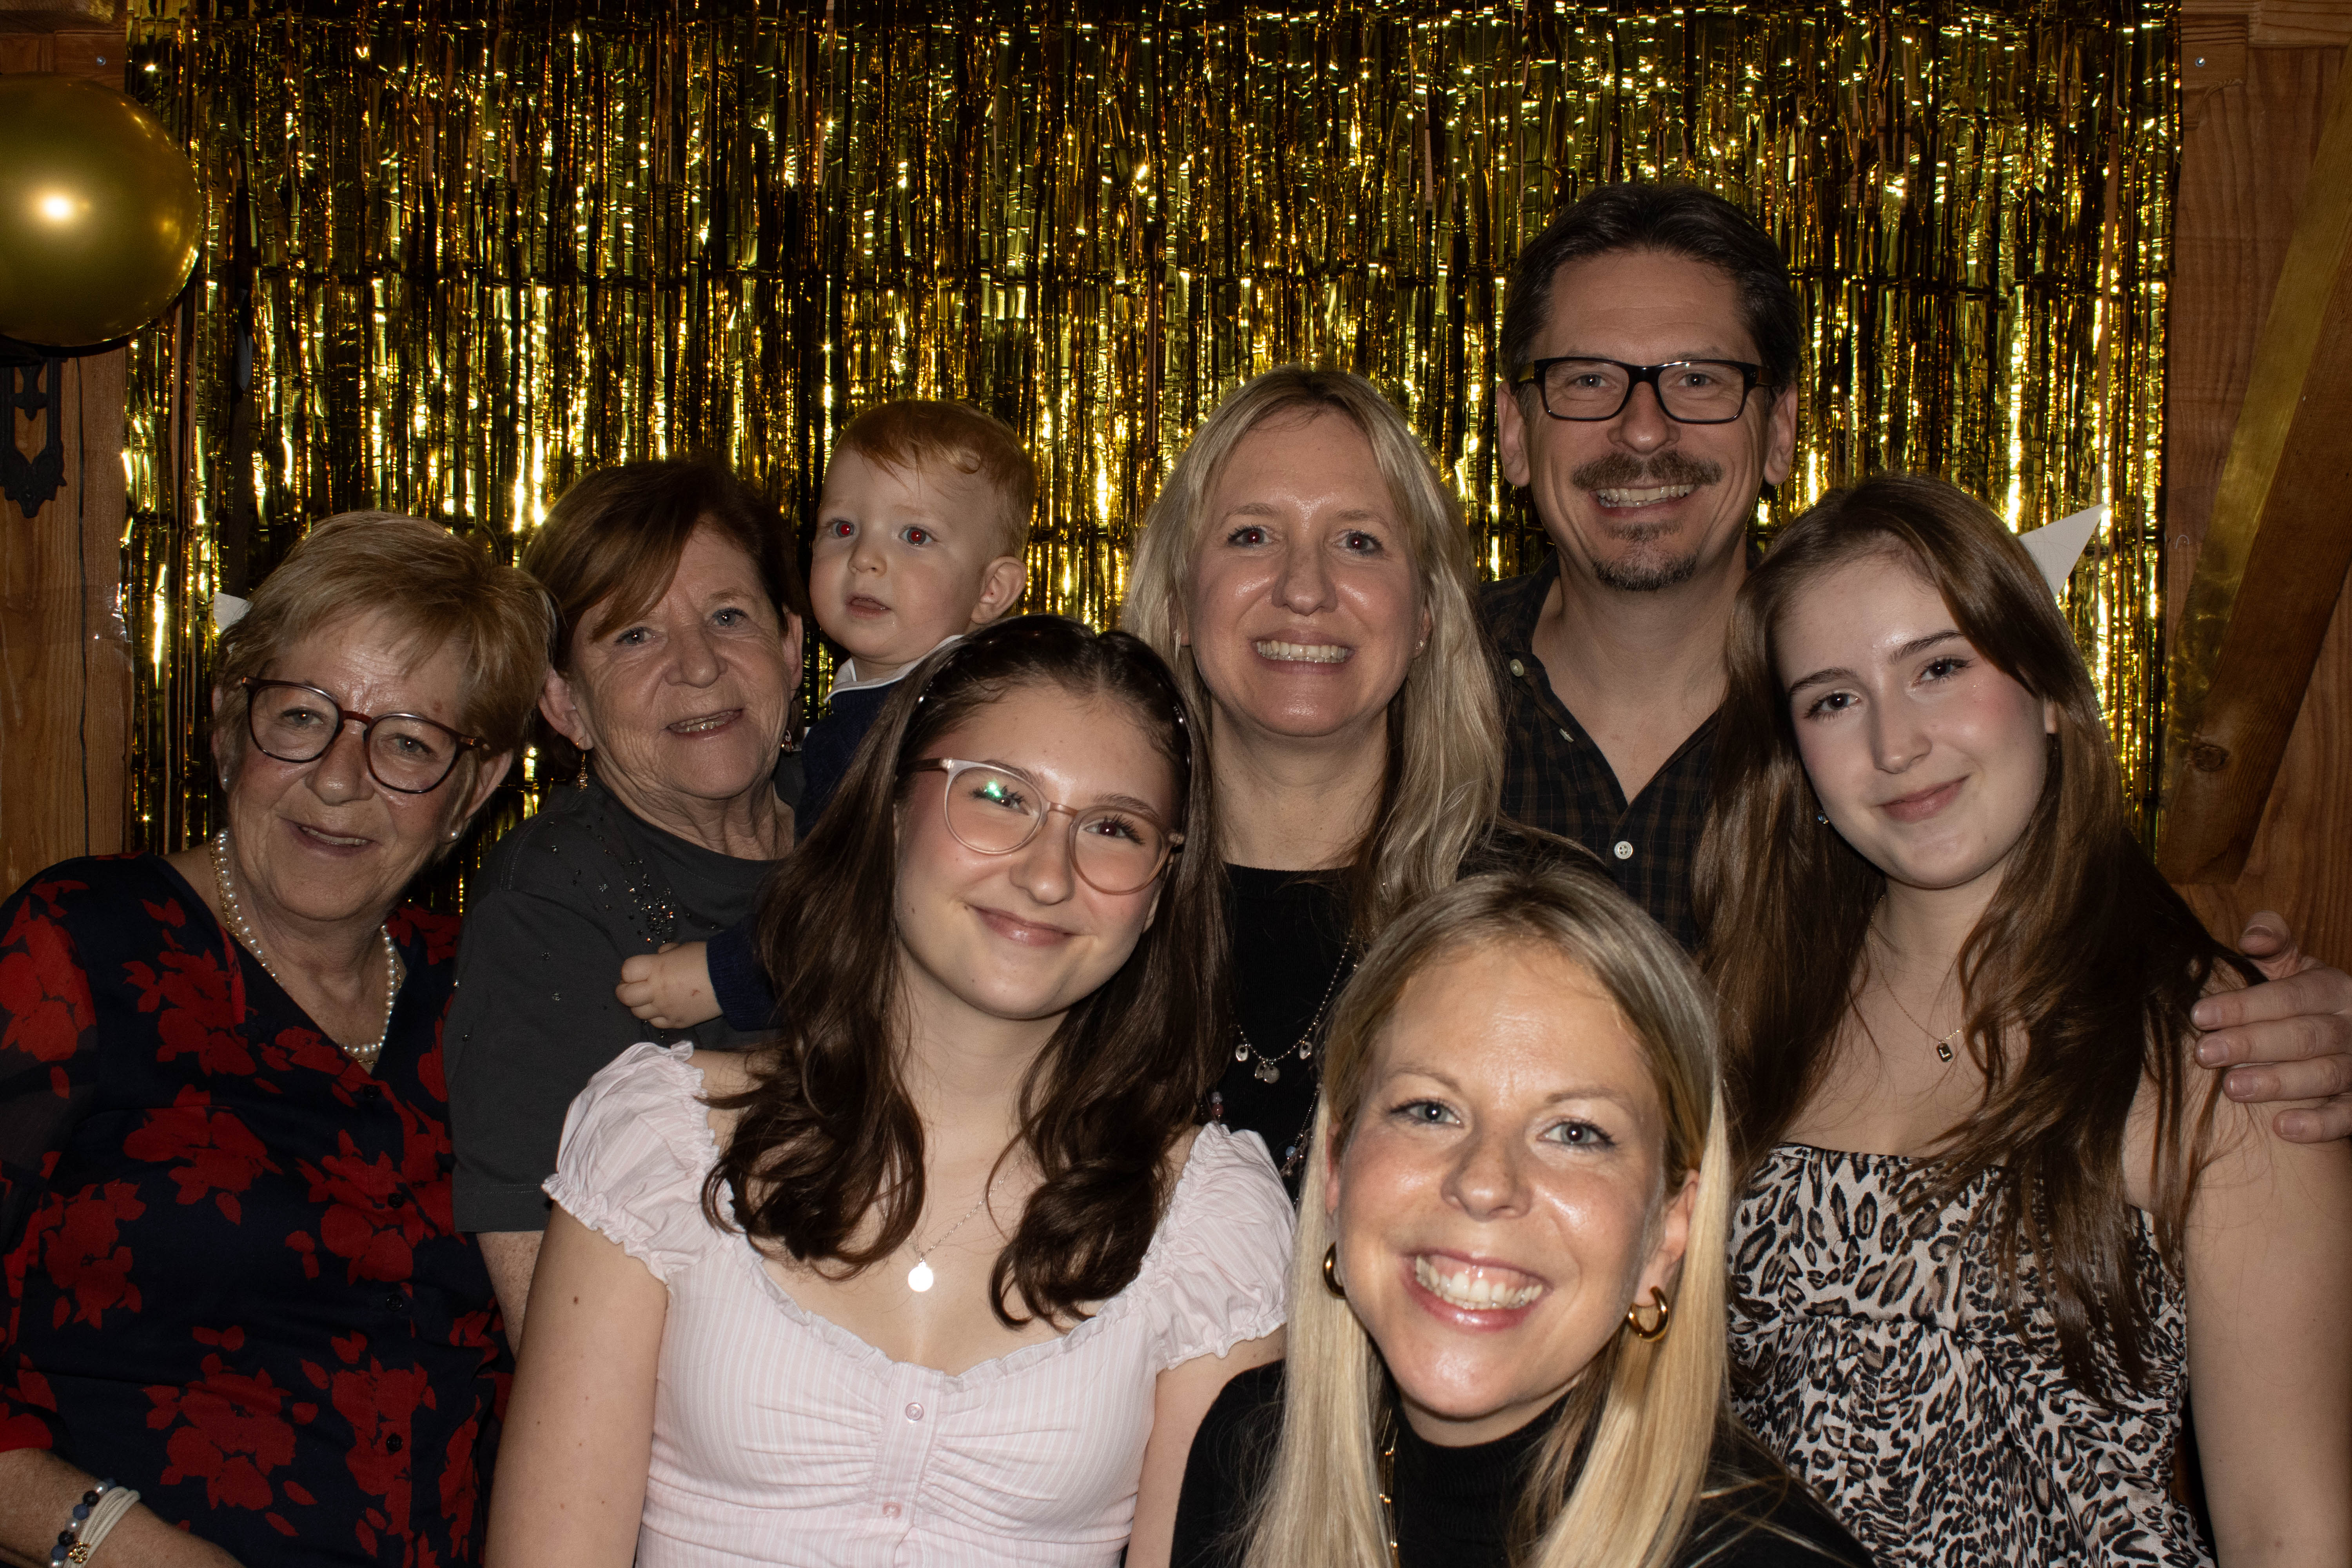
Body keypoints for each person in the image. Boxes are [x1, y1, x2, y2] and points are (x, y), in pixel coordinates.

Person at [1481, 181, 2352, 1140]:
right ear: (1516, 434)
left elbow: (2109, 960)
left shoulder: (1917, 741)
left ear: (1779, 432)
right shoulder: (1408, 694)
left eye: (1700, 378)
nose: (1644, 429)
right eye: (1586, 379)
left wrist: (2281, 1028)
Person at [485, 617, 1291, 1568]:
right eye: (998, 795)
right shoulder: (661, 1140)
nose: (1046, 873)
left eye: (1113, 828)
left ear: (1159, 889)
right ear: (895, 809)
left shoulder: (1211, 1226)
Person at [1698, 474, 2352, 1565]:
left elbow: (2293, 1534)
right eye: (1833, 700)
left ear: (2048, 688)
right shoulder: (1734, 1021)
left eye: (1940, 667)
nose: (1895, 744)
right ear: (1795, 758)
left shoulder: (2222, 1055)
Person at [0, 514, 550, 1566]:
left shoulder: (487, 993)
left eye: (407, 743)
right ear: (227, 722)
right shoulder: (80, 945)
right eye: (302, 716)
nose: (340, 780)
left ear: (475, 788)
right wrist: (114, 1542)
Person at [1171, 867, 1871, 1568]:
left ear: (1669, 1229)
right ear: (1336, 1164)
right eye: (1430, 1110)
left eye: (1575, 1133)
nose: (1484, 1184)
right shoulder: (1247, 1458)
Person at [1123, 366, 1576, 1194]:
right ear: (1181, 599)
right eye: (1252, 536)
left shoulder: (1543, 922)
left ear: (1426, 613)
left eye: (1359, 542)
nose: (1304, 590)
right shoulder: (1076, 898)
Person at [445, 459, 808, 1344]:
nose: (698, 665)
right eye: (635, 636)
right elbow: (552, 1317)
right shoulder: (551, 899)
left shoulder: (889, 828)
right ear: (565, 703)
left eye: (729, 616)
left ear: (793, 646)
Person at [613, 399, 1033, 1035]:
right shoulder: (900, 697)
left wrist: (727, 977)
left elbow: (853, 900)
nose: (865, 558)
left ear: (991, 590)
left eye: (914, 536)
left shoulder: (925, 723)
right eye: (842, 528)